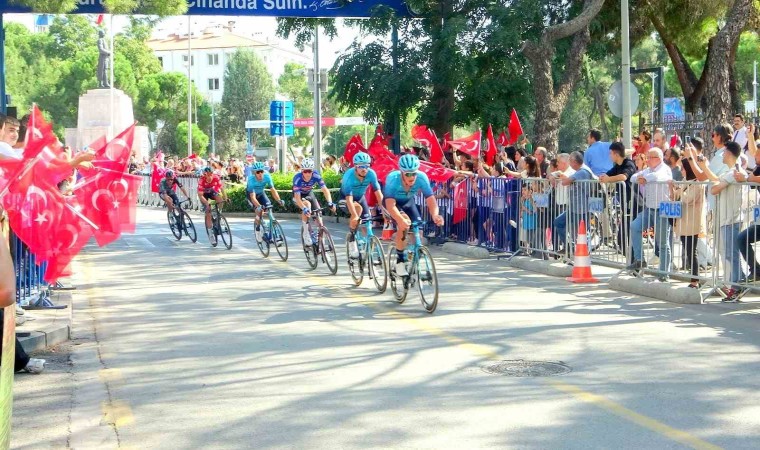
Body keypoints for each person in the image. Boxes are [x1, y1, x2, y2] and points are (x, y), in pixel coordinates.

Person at [383, 154, 444, 276]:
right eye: (408, 174)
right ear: (401, 172)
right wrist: (400, 219)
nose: (412, 177)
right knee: (404, 223)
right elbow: (390, 204)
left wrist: (435, 215)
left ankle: (411, 259)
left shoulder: (421, 177)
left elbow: (430, 199)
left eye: (414, 173)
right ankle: (400, 261)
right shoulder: (393, 179)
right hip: (392, 203)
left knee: (418, 234)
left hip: (408, 202)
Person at [710, 141, 748, 299]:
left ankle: (737, 286)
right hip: (726, 218)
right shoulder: (730, 172)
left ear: (730, 153)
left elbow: (714, 189)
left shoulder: (735, 173)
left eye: (724, 152)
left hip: (732, 219)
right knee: (729, 254)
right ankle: (738, 282)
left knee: (732, 254)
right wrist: (703, 167)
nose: (722, 155)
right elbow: (715, 182)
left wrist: (715, 181)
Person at [627, 148, 673, 278]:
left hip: (662, 209)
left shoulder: (665, 169)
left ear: (658, 158)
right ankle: (639, 259)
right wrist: (642, 178)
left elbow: (658, 177)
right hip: (649, 208)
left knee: (662, 243)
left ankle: (664, 273)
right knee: (635, 226)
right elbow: (633, 177)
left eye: (650, 157)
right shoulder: (648, 170)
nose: (647, 160)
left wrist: (644, 178)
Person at [340, 152, 383, 258]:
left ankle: (367, 251)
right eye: (361, 166)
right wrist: (355, 215)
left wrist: (385, 210)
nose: (364, 169)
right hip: (345, 198)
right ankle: (352, 240)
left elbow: (378, 193)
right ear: (355, 166)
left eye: (367, 166)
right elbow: (349, 199)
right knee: (356, 211)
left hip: (360, 198)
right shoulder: (349, 176)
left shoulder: (371, 174)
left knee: (367, 223)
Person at [671, 159, 705, 288]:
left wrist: (679, 190)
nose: (681, 171)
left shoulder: (697, 183)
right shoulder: (686, 182)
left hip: (692, 221)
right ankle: (694, 278)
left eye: (683, 168)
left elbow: (687, 199)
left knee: (691, 251)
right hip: (683, 221)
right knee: (688, 250)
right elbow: (677, 197)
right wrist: (673, 188)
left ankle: (695, 280)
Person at [599, 142, 637, 256]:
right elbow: (608, 175)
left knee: (630, 234)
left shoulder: (629, 164)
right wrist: (602, 177)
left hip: (633, 202)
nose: (609, 156)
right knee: (622, 237)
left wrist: (608, 180)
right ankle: (631, 258)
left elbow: (623, 176)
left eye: (610, 153)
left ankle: (636, 258)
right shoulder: (617, 166)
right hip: (624, 203)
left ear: (616, 154)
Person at [553, 152, 594, 256]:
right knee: (558, 222)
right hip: (573, 207)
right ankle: (569, 247)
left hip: (581, 208)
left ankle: (585, 254)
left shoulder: (582, 172)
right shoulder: (579, 171)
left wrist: (565, 179)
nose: (569, 163)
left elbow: (565, 182)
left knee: (581, 232)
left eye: (570, 161)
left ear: (575, 162)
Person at [293, 158, 336, 246]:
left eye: (309, 171)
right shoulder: (297, 178)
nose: (307, 174)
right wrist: (304, 208)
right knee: (307, 205)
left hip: (309, 193)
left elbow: (325, 190)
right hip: (299, 196)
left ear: (312, 171)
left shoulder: (316, 175)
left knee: (319, 216)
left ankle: (321, 241)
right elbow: (297, 198)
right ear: (302, 171)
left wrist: (330, 202)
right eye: (305, 171)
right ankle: (306, 233)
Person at [246, 162, 285, 243]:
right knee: (259, 211)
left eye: (262, 171)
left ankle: (275, 233)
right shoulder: (251, 180)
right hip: (252, 196)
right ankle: (257, 229)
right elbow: (253, 197)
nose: (260, 174)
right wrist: (259, 206)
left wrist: (279, 200)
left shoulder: (267, 176)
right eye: (258, 172)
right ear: (254, 173)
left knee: (269, 208)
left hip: (261, 194)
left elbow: (273, 190)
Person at [197, 167, 225, 245]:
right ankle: (210, 234)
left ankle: (218, 213)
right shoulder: (201, 180)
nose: (209, 176)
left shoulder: (216, 177)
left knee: (220, 199)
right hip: (204, 195)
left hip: (212, 192)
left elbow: (221, 188)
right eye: (207, 175)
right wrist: (207, 204)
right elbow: (200, 195)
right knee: (208, 212)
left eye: (210, 174)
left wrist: (226, 198)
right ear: (204, 175)